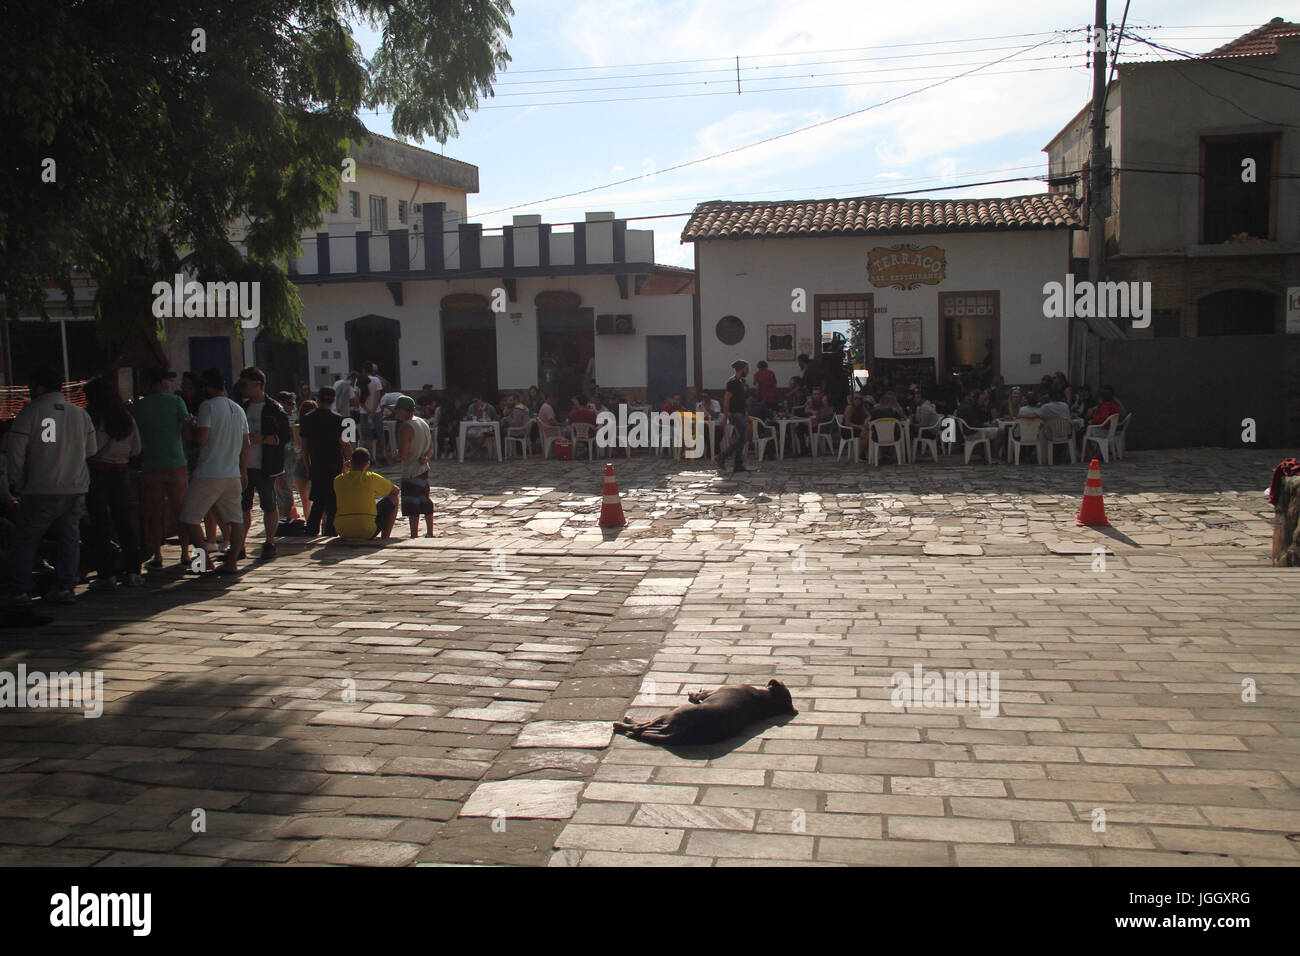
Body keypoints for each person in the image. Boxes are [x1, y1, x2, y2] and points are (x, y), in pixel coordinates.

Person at [6, 366, 98, 604]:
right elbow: (91, 450)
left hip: (40, 487)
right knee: (69, 537)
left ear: (38, 386)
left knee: (27, 539)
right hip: (75, 486)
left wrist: (17, 481)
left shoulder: (30, 412)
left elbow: (15, 452)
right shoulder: (80, 414)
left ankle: (22, 590)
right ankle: (67, 586)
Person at [178, 369, 250, 575]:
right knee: (236, 520)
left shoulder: (207, 407)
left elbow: (201, 439)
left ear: (207, 388)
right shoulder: (238, 409)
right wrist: (243, 471)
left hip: (209, 472)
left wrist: (187, 431)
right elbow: (246, 445)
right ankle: (232, 562)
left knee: (190, 517)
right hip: (232, 473)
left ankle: (203, 562)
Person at [131, 367, 195, 571]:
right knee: (181, 510)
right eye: (167, 380)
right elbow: (186, 425)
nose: (170, 384)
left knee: (154, 512)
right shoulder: (176, 402)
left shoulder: (138, 406)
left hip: (151, 464)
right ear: (160, 383)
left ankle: (157, 554)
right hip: (176, 461)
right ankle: (185, 552)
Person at [84, 377, 144, 590]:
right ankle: (133, 571)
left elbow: (91, 449)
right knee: (124, 523)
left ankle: (106, 573)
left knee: (100, 524)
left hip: (98, 472)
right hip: (120, 473)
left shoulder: (96, 420)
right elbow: (136, 449)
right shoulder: (126, 418)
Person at [237, 367, 291, 561]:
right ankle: (239, 545)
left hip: (266, 465)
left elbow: (286, 436)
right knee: (243, 506)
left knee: (269, 504)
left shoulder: (274, 409)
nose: (243, 388)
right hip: (245, 464)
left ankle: (269, 542)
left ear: (257, 385)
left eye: (246, 384)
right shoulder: (242, 407)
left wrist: (264, 439)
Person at [298, 386, 350, 537]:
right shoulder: (338, 419)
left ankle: (311, 531)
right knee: (333, 501)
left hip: (317, 464)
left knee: (318, 501)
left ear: (318, 399)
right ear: (333, 400)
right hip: (334, 464)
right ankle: (330, 532)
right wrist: (351, 461)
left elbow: (304, 447)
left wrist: (308, 467)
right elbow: (345, 444)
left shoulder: (307, 419)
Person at [333, 448, 399, 542]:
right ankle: (385, 537)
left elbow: (345, 487)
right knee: (394, 498)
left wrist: (344, 469)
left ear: (351, 462)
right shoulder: (370, 477)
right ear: (367, 464)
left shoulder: (338, 480)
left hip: (343, 531)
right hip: (366, 531)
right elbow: (396, 491)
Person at [394, 395, 435, 538]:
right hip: (423, 469)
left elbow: (403, 456)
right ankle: (430, 532)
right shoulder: (423, 422)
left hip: (410, 471)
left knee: (413, 505)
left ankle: (414, 534)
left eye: (397, 410)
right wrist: (426, 458)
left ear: (404, 411)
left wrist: (397, 454)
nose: (396, 413)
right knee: (425, 501)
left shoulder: (405, 427)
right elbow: (431, 447)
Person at [715, 359, 750, 474]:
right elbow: (726, 399)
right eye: (746, 368)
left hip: (741, 413)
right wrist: (725, 416)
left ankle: (738, 465)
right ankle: (723, 456)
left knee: (741, 438)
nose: (748, 370)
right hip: (735, 414)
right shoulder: (733, 382)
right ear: (741, 369)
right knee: (742, 438)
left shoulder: (740, 382)